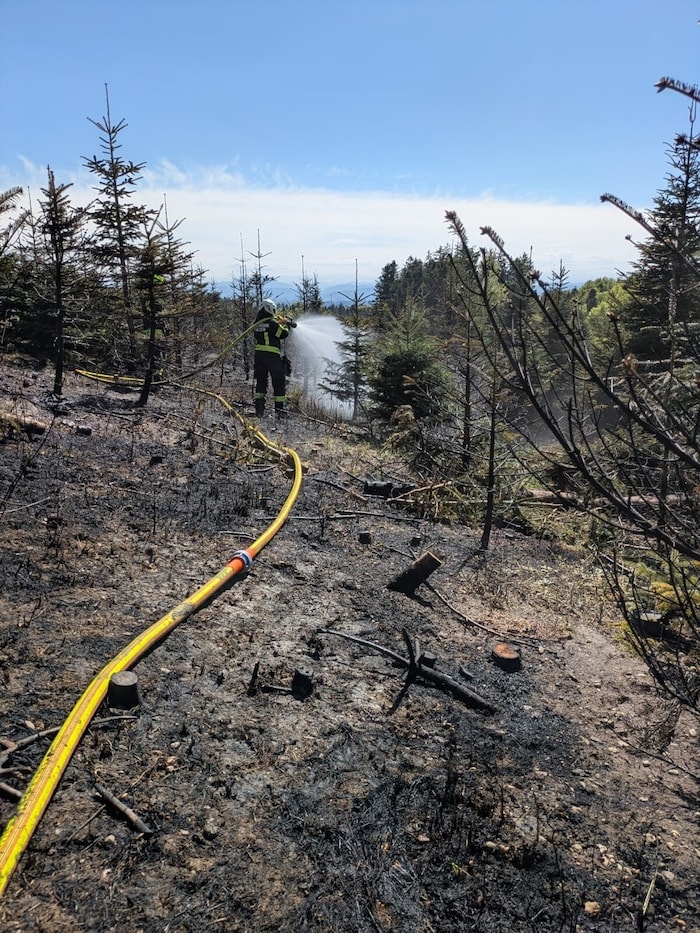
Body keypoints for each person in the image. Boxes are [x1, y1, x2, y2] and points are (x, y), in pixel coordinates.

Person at [252, 298, 296, 418]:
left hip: (259, 356)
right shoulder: (272, 323)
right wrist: (287, 325)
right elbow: (283, 334)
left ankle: (259, 409)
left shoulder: (256, 324)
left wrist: (279, 322)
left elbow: (266, 331)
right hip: (271, 356)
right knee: (278, 382)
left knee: (261, 382)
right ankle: (279, 410)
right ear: (269, 309)